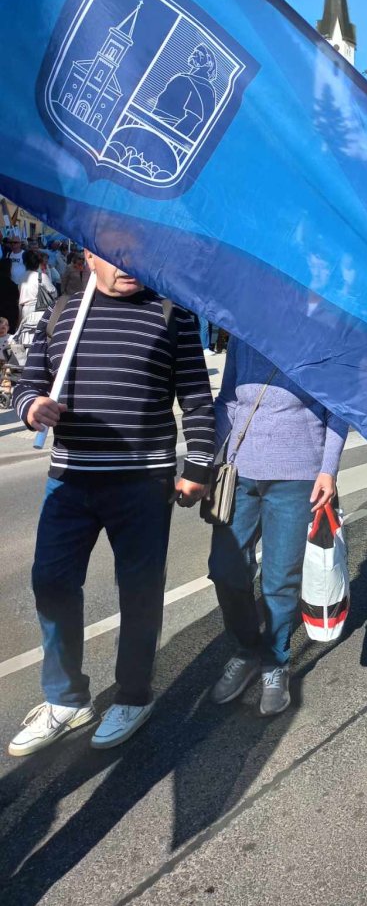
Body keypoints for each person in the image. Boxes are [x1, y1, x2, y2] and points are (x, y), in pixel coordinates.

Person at [8, 252, 214, 756]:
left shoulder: (172, 314)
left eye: (135, 252)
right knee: (52, 583)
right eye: (113, 253)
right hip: (70, 480)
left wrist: (199, 466)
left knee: (140, 592)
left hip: (143, 484)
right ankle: (65, 699)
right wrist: (32, 408)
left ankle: (134, 694)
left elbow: (195, 398)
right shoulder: (60, 313)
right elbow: (26, 385)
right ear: (87, 254)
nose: (126, 264)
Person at [207, 337, 348, 715]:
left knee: (280, 578)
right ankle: (246, 649)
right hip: (239, 474)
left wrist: (328, 469)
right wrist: (206, 458)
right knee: (225, 570)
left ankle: (275, 661)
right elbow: (228, 400)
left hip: (298, 476)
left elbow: (339, 408)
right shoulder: (243, 335)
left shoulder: (321, 339)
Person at [17, 249, 57, 333]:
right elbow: (54, 293)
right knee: (39, 334)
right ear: (38, 262)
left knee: (27, 334)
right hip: (40, 310)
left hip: (25, 311)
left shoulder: (21, 277)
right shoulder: (41, 276)